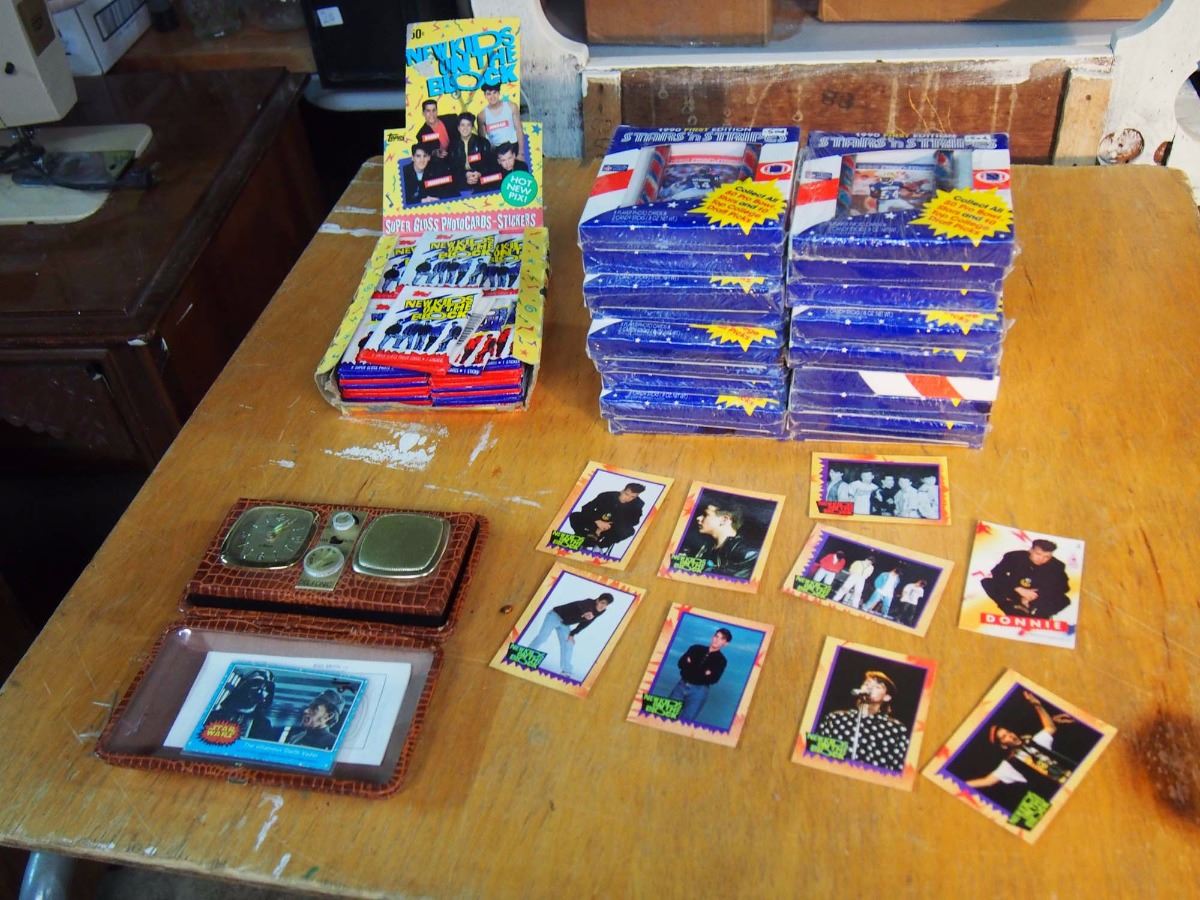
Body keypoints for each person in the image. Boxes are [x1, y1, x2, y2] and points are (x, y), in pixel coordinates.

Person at [965, 690, 1078, 789]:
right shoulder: (1010, 764)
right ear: (1003, 745)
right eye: (1004, 737)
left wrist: (1037, 705)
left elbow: (1050, 728)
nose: (1010, 735)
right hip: (1056, 789)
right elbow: (987, 781)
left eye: (1008, 732)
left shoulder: (1034, 742)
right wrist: (958, 784)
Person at [811, 670, 909, 772]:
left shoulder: (896, 729)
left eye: (877, 686)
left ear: (886, 697)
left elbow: (899, 768)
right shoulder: (835, 718)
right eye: (867, 684)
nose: (870, 687)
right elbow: (817, 756)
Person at [527, 593, 613, 679]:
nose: (603, 606)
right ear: (597, 600)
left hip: (565, 624)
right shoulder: (588, 602)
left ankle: (566, 671)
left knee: (569, 644)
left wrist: (572, 634)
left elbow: (586, 623)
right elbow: (582, 606)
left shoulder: (601, 611)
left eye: (606, 604)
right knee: (543, 637)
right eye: (602, 603)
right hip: (554, 616)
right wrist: (587, 612)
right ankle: (526, 657)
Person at [980, 538, 1071, 619]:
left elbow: (1064, 587)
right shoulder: (1014, 556)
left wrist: (1036, 595)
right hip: (1014, 591)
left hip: (1037, 597)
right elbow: (997, 572)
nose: (1041, 559)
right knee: (988, 582)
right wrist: (1018, 588)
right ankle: (1012, 607)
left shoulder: (1057, 566)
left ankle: (1037, 613)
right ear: (1030, 550)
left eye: (1046, 557)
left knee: (1064, 600)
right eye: (1038, 554)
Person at [667, 628, 730, 721]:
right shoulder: (695, 648)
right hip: (681, 686)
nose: (717, 640)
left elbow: (713, 679)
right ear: (712, 637)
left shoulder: (721, 660)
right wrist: (704, 672)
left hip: (699, 692)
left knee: (685, 722)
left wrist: (691, 665)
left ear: (725, 643)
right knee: (666, 716)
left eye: (721, 638)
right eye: (716, 636)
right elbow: (681, 663)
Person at [566, 483, 646, 553]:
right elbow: (586, 508)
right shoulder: (607, 495)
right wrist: (597, 521)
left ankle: (599, 546)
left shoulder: (638, 504)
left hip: (611, 528)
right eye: (626, 494)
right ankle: (582, 539)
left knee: (629, 531)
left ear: (637, 496)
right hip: (594, 522)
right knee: (575, 515)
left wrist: (610, 525)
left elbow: (634, 521)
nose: (628, 498)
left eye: (632, 497)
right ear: (622, 491)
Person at [691, 501, 759, 580]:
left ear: (724, 519)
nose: (698, 518)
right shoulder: (705, 548)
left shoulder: (746, 553)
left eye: (706, 514)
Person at [205, 668, 278, 741]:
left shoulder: (263, 725)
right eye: (255, 683)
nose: (259, 690)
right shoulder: (215, 715)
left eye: (265, 688)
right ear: (243, 687)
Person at [448, 113, 492, 192]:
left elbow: (489, 164)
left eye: (468, 125)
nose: (465, 128)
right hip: (461, 178)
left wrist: (479, 173)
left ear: (472, 127)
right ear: (458, 128)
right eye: (462, 125)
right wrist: (465, 174)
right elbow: (452, 167)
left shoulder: (483, 143)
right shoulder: (452, 145)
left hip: (480, 176)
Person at [478, 82, 523, 159]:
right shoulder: (482, 115)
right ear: (485, 96)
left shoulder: (511, 106)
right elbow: (483, 139)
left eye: (494, 93)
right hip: (495, 150)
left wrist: (521, 153)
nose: (492, 96)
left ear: (499, 93)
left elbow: (519, 129)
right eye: (489, 94)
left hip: (513, 147)